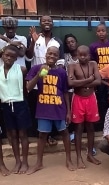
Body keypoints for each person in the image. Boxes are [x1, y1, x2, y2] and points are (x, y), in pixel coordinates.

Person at [26, 46, 75, 174]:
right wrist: (39, 74)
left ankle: (68, 160)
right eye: (50, 54)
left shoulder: (61, 72)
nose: (52, 56)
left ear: (58, 57)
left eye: (55, 54)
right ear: (45, 54)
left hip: (59, 108)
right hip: (44, 109)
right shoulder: (36, 68)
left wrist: (68, 111)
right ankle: (39, 163)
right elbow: (28, 87)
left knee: (64, 133)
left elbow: (65, 92)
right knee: (42, 135)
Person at [26, 15, 65, 144]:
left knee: (52, 106)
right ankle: (41, 135)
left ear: (52, 24)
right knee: (39, 109)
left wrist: (56, 75)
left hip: (52, 81)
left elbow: (61, 61)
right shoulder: (35, 38)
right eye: (44, 21)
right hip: (37, 80)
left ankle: (52, 136)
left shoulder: (57, 41)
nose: (47, 22)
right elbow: (29, 57)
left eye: (49, 21)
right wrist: (32, 41)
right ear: (40, 23)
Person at [68, 45, 101, 168]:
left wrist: (80, 82)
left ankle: (90, 154)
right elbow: (71, 83)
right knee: (79, 129)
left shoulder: (93, 64)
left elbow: (98, 81)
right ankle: (78, 157)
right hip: (78, 100)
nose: (82, 57)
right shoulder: (72, 66)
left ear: (89, 55)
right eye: (80, 55)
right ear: (77, 55)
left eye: (85, 55)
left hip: (91, 99)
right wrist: (89, 80)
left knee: (90, 127)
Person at [0, 45, 31, 174]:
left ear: (16, 58)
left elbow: (25, 88)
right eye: (7, 55)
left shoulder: (21, 69)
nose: (9, 58)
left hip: (20, 104)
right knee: (12, 135)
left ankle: (25, 162)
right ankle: (17, 161)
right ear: (2, 55)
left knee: (23, 134)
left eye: (12, 56)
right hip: (5, 105)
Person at [89, 23, 109, 131]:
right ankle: (105, 125)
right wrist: (97, 76)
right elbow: (92, 62)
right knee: (102, 101)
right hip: (100, 77)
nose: (101, 33)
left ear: (107, 32)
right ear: (96, 33)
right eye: (99, 31)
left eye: (103, 31)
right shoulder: (93, 46)